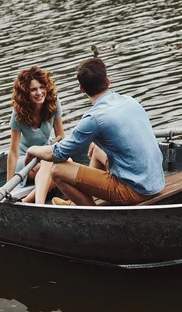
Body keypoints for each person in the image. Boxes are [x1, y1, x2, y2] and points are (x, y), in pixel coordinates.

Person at [24, 58, 165, 206]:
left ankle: (91, 211)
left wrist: (32, 150)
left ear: (82, 89)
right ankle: (75, 201)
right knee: (96, 148)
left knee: (58, 170)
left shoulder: (94, 118)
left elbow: (57, 154)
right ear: (108, 81)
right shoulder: (130, 101)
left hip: (134, 191)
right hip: (156, 182)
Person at [0, 66, 65, 204]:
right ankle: (40, 204)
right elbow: (13, 151)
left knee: (66, 166)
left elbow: (61, 137)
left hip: (46, 154)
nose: (40, 92)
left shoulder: (53, 103)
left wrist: (50, 149)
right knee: (50, 165)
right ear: (25, 93)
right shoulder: (18, 113)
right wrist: (7, 187)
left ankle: (27, 201)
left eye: (42, 87)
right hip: (26, 161)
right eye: (33, 89)